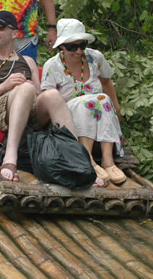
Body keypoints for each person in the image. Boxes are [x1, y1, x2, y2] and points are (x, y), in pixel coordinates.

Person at [0, 10, 89, 183]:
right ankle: (10, 158)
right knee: (26, 88)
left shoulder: (27, 61)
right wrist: (4, 87)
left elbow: (38, 96)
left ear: (14, 33)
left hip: (27, 112)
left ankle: (79, 160)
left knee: (51, 94)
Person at [41, 18, 126, 186]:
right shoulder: (52, 67)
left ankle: (108, 161)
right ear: (62, 46)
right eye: (72, 46)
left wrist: (117, 108)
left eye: (82, 45)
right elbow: (47, 101)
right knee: (85, 102)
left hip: (99, 115)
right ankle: (87, 159)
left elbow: (107, 82)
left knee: (101, 98)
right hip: (68, 121)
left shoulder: (95, 58)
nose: (79, 51)